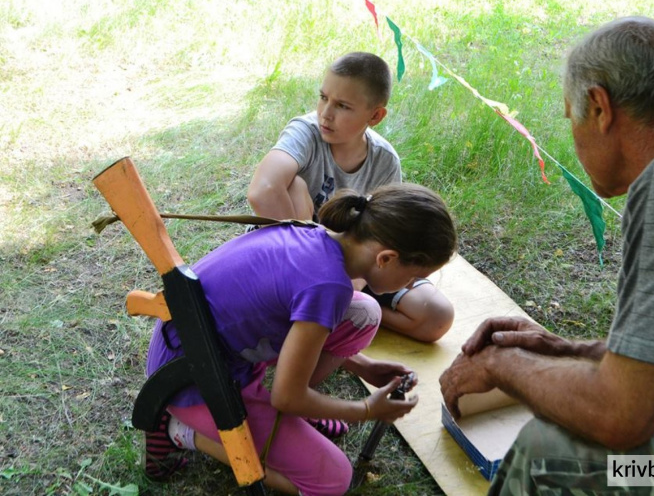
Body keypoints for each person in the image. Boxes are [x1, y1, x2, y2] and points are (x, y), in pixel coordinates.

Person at [440, 16, 654, 495]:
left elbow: (619, 416)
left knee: (548, 453)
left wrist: (500, 366)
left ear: (600, 107)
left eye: (571, 116)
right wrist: (568, 350)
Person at [144, 183, 457, 495]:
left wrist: (365, 368)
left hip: (198, 345)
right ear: (386, 258)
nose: (412, 284)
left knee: (363, 313)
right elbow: (285, 396)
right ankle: (181, 430)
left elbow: (297, 330)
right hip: (194, 381)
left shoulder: (316, 235)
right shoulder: (328, 287)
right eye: (415, 277)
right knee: (332, 480)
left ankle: (293, 417)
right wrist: (366, 409)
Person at [247, 51, 454, 343]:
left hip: (353, 267)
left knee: (437, 316)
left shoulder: (385, 161)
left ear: (376, 115)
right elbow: (263, 191)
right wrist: (317, 277)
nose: (325, 113)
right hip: (291, 261)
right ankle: (329, 316)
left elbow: (383, 241)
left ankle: (345, 317)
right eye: (323, 97)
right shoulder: (306, 132)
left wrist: (345, 292)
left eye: (342, 106)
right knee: (293, 185)